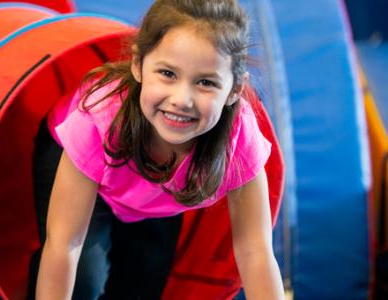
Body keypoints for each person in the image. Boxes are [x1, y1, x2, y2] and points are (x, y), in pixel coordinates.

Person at [33, 0, 285, 299]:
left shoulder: (239, 138)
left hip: (157, 194)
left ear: (234, 90)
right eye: (167, 73)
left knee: (141, 288)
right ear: (138, 65)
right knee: (83, 285)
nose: (182, 99)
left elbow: (255, 250)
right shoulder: (99, 120)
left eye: (205, 82)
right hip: (79, 161)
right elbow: (64, 245)